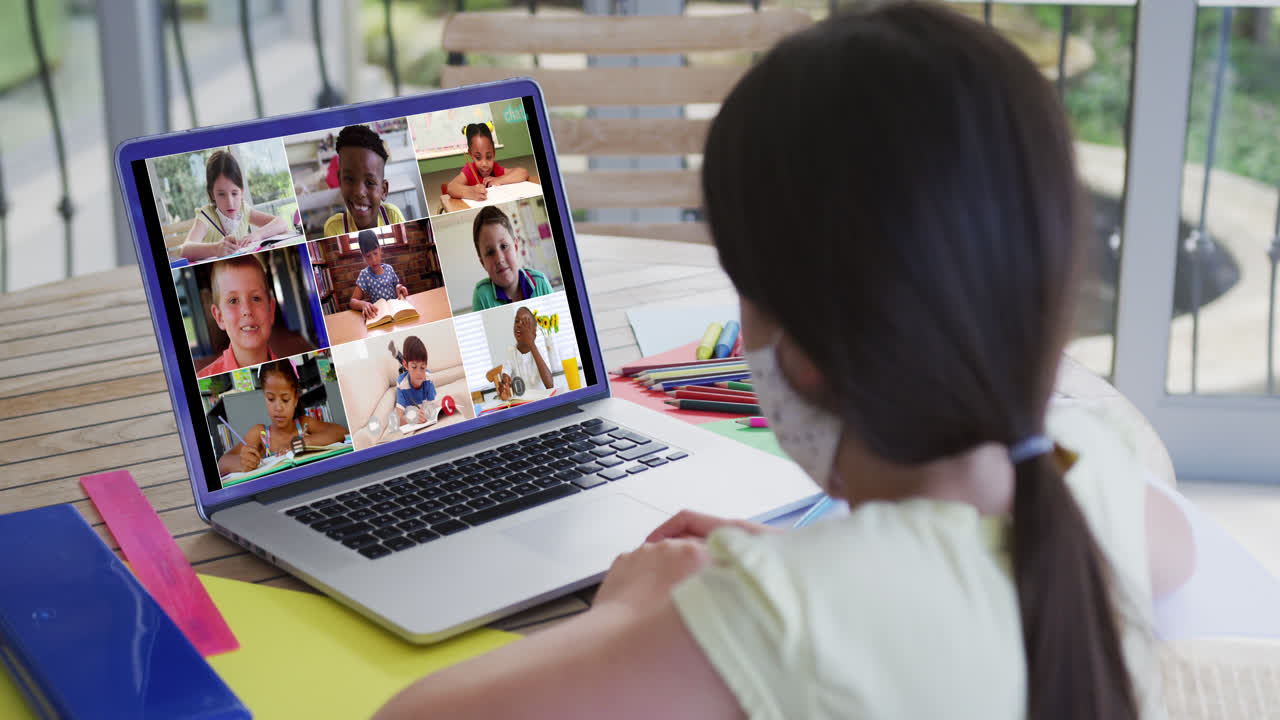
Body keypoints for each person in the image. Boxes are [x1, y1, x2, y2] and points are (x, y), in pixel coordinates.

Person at [373, 4, 1195, 719]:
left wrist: (628, 617)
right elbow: (1169, 549)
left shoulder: (779, 620)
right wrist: (805, 565)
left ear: (798, 355)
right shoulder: (1097, 477)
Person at [217, 359, 348, 475]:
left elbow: (341, 432)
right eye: (270, 399)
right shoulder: (260, 434)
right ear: (264, 397)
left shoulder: (304, 425)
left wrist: (307, 443)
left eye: (285, 400)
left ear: (296, 399)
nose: (278, 408)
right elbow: (221, 464)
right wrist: (241, 462)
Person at [178, 149, 289, 261]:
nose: (230, 203)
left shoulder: (243, 209)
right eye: (221, 194)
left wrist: (258, 235)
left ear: (242, 192)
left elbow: (282, 223)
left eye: (235, 193)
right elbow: (185, 250)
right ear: (212, 194)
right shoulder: (206, 216)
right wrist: (215, 249)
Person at [197, 255, 278, 378]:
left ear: (271, 310)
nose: (247, 310)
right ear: (219, 317)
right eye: (233, 301)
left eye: (256, 298)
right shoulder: (202, 378)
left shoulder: (291, 368)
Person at [322, 125, 407, 237]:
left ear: (384, 190)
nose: (359, 192)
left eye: (370, 182)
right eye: (349, 179)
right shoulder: (334, 228)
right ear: (340, 181)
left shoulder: (392, 216)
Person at [470, 206, 552, 311]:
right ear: (482, 263)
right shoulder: (482, 295)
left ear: (516, 247)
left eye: (504, 246)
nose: (499, 259)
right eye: (490, 252)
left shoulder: (540, 282)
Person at [445, 123, 530, 203]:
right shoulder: (470, 170)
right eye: (478, 158)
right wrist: (470, 192)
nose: (484, 164)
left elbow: (523, 173)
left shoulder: (495, 169)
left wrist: (499, 180)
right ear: (470, 154)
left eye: (489, 157)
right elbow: (451, 187)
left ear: (494, 153)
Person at [350, 230, 408, 320]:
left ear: (380, 249)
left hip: (396, 312)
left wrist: (399, 287)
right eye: (368, 256)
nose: (374, 260)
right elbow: (352, 301)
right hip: (380, 316)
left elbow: (397, 285)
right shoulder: (364, 275)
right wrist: (363, 304)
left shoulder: (389, 268)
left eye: (375, 253)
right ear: (363, 256)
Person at [506, 306, 553, 392]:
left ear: (533, 332)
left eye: (524, 323)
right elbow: (505, 375)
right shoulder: (511, 352)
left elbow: (550, 385)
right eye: (517, 321)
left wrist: (531, 343)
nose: (519, 325)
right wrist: (505, 382)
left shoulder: (540, 351)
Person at [393, 335, 437, 426]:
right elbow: (398, 418)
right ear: (407, 365)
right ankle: (398, 355)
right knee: (401, 370)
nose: (419, 373)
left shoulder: (428, 377)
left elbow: (433, 405)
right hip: (405, 372)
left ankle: (401, 357)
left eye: (423, 367)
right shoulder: (401, 383)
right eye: (414, 367)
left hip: (407, 367)